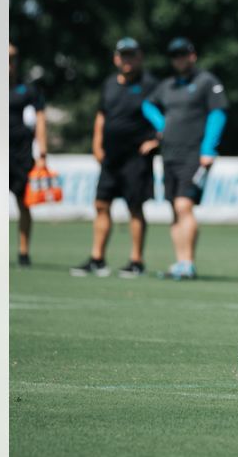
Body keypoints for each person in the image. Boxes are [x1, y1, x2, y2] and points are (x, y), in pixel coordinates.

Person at [141, 38, 228, 280]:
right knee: (173, 208)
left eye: (183, 54)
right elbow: (147, 105)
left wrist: (209, 148)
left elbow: (218, 113)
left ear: (192, 56)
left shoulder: (206, 82)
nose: (179, 59)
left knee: (183, 205)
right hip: (169, 154)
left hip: (195, 154)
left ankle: (188, 262)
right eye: (175, 55)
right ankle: (179, 262)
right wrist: (162, 126)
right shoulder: (167, 85)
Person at [72, 38, 159, 278]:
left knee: (134, 207)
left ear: (139, 57)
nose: (127, 60)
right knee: (101, 204)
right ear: (116, 58)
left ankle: (136, 261)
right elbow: (102, 115)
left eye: (132, 55)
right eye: (123, 55)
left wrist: (156, 141)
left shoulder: (150, 84)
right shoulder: (109, 84)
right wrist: (96, 143)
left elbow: (166, 115)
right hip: (110, 157)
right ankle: (97, 258)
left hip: (136, 157)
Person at [9, 43, 48, 268]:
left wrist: (42, 152)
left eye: (11, 59)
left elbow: (40, 119)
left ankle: (23, 252)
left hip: (20, 156)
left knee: (24, 203)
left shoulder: (28, 90)